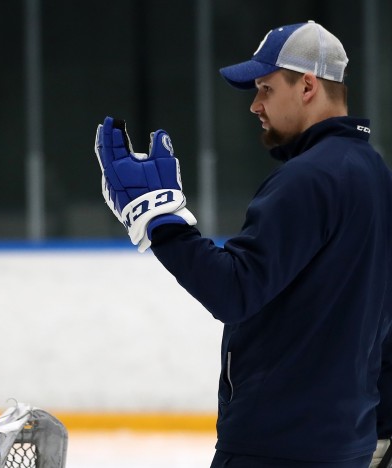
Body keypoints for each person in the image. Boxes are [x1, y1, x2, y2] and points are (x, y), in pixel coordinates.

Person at [94, 21, 392, 467]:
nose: (255, 105)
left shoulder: (307, 179)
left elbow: (234, 291)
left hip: (275, 445)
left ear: (307, 85)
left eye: (266, 89)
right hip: (346, 442)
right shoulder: (374, 173)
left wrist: (161, 221)